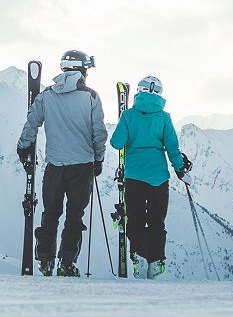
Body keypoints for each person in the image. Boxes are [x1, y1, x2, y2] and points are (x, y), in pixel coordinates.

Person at [17, 49, 108, 276]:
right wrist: (98, 159)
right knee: (74, 215)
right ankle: (67, 262)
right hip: (82, 166)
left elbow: (32, 123)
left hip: (55, 165)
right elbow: (99, 132)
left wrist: (23, 146)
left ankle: (45, 260)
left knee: (50, 213)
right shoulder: (91, 96)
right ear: (82, 70)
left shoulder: (47, 95)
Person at [110, 75, 190, 279]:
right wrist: (180, 169)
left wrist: (127, 131)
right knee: (156, 221)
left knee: (135, 219)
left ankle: (139, 257)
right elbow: (172, 147)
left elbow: (116, 143)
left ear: (139, 91)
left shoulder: (128, 116)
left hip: (134, 175)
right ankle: (156, 261)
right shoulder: (164, 118)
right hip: (159, 177)